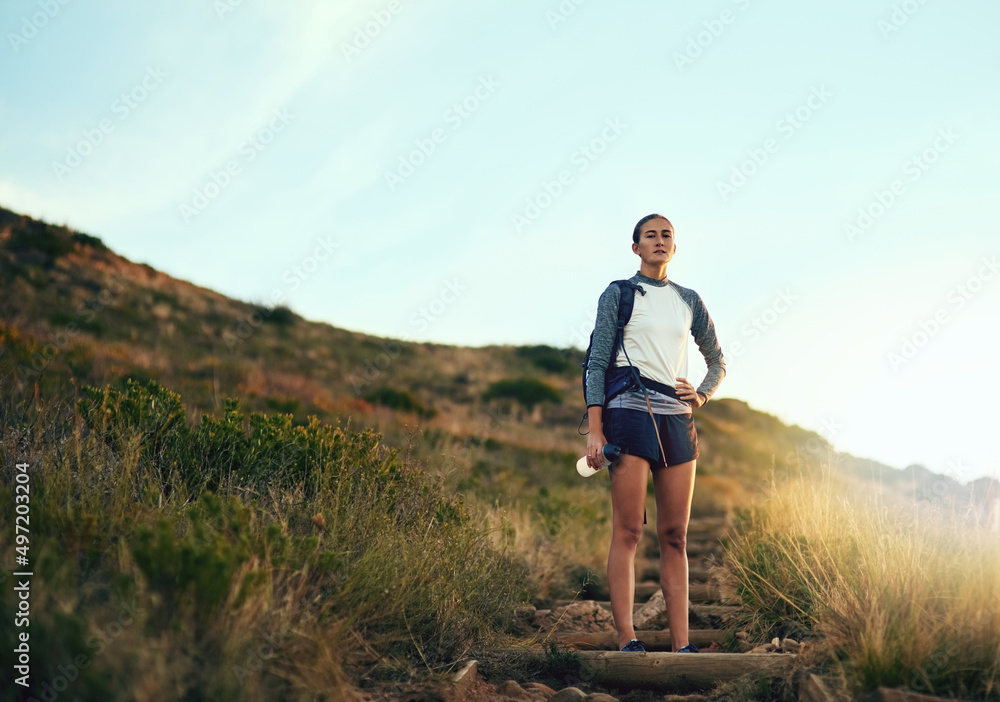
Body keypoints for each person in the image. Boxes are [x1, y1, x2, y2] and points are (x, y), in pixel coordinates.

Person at [584, 213, 726, 653]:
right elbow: (596, 362)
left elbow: (717, 361)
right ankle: (627, 637)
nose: (660, 240)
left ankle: (683, 646)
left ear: (674, 246)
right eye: (651, 235)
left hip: (677, 418)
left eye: (667, 235)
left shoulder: (689, 300)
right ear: (636, 248)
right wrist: (594, 431)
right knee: (628, 531)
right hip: (628, 408)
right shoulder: (620, 293)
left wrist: (700, 396)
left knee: (675, 536)